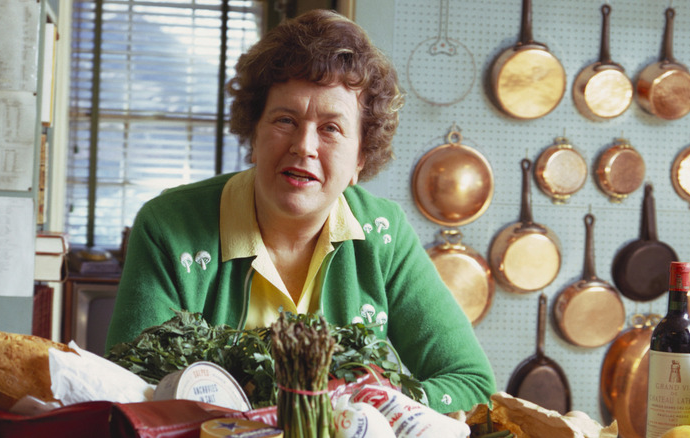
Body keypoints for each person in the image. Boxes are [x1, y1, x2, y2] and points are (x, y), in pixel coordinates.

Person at [105, 9, 495, 413]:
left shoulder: (385, 235)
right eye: (285, 120)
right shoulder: (169, 225)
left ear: (361, 156)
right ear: (254, 134)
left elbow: (472, 383)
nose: (304, 146)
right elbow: (129, 388)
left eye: (331, 128)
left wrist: (376, 404)